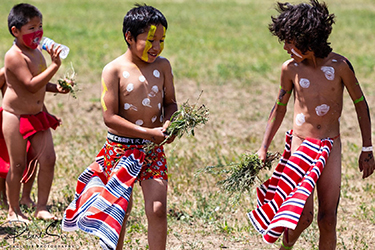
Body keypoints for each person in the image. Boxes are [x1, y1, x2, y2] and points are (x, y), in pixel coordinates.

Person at [247, 1, 375, 249]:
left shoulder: (340, 67)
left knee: (328, 219)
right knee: (301, 218)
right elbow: (280, 107)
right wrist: (263, 146)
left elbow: (361, 104)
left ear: (308, 39)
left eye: (289, 41)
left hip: (331, 146)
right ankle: (286, 246)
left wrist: (367, 148)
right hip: (301, 146)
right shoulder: (290, 69)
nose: (284, 47)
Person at [62, 4, 177, 250]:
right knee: (119, 213)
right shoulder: (113, 70)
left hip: (152, 150)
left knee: (157, 210)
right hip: (120, 149)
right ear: (129, 37)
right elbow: (110, 117)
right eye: (150, 40)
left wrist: (169, 124)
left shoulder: (163, 66)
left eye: (162, 40)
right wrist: (148, 133)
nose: (156, 47)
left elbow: (171, 103)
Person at [2, 3, 70, 222]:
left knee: (48, 158)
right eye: (31, 28)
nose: (37, 32)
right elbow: (30, 84)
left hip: (37, 114)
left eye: (39, 26)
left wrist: (55, 87)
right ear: (16, 31)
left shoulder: (37, 51)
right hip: (16, 116)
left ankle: (41, 207)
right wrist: (55, 66)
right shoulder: (14, 56)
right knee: (18, 164)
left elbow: (40, 83)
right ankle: (14, 210)